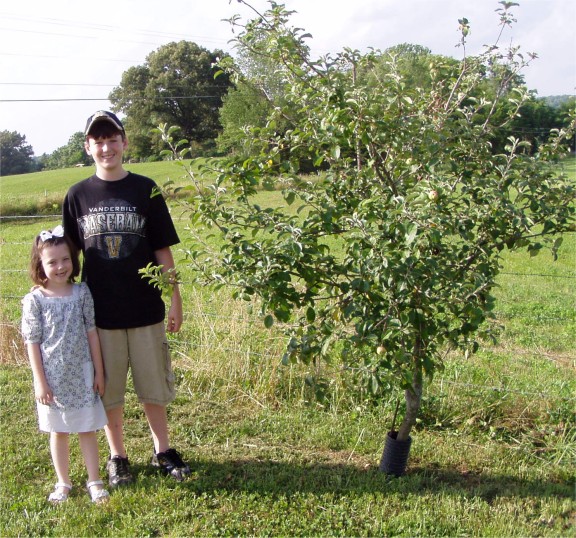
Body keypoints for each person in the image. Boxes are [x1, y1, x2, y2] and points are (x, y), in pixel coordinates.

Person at [62, 110, 190, 488]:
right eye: (97, 141)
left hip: (146, 308)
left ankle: (163, 450)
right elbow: (68, 256)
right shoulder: (77, 195)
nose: (106, 147)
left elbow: (163, 250)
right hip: (100, 315)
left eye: (112, 138)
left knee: (153, 386)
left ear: (124, 143)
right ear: (88, 147)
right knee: (110, 391)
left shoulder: (145, 188)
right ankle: (118, 456)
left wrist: (175, 297)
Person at [21, 225, 110, 504]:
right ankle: (63, 482)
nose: (60, 266)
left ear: (73, 259)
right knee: (58, 431)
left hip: (83, 375)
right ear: (40, 265)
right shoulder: (34, 300)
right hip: (53, 379)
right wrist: (40, 381)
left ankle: (94, 480)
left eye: (65, 259)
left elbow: (92, 332)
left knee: (87, 428)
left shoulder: (82, 292)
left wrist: (99, 371)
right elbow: (32, 342)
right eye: (52, 262)